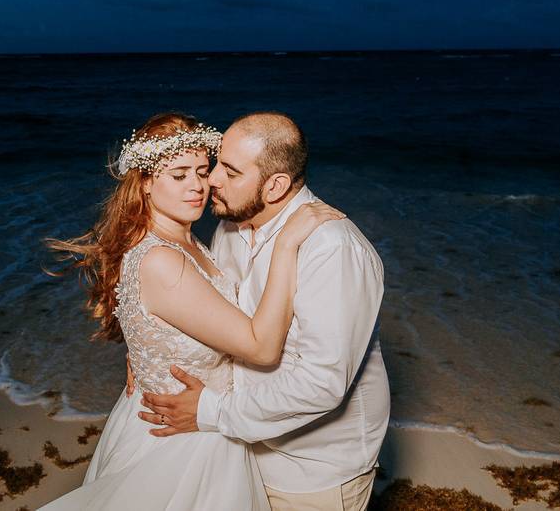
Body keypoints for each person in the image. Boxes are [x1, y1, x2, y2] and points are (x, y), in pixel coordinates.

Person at [37, 112, 345, 511]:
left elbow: (172, 321)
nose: (198, 186)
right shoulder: (162, 260)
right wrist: (287, 245)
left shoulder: (189, 242)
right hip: (187, 440)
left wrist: (146, 351)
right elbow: (261, 348)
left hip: (191, 419)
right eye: (179, 174)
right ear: (145, 183)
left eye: (203, 171)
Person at [137, 111, 390, 511]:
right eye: (218, 163)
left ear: (275, 186)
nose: (212, 180)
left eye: (231, 172)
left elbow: (321, 382)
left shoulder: (332, 249)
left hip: (312, 467)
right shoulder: (231, 227)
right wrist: (145, 347)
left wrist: (213, 411)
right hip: (237, 448)